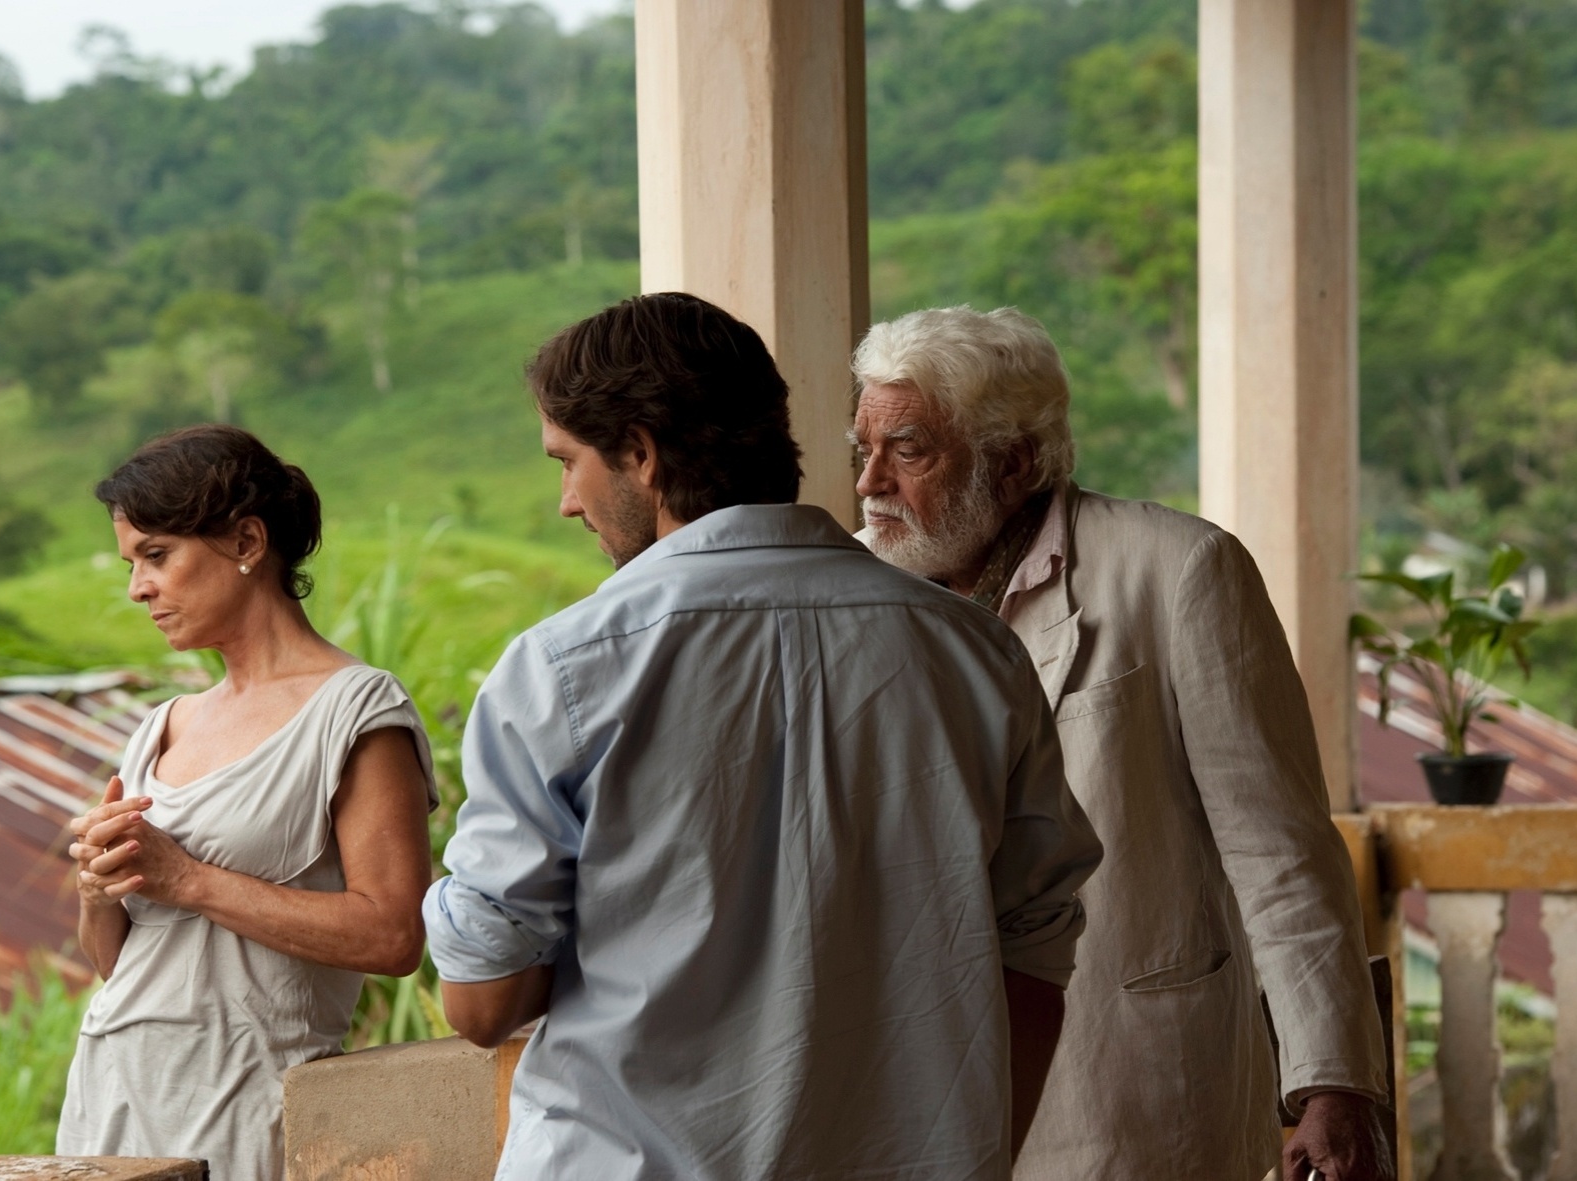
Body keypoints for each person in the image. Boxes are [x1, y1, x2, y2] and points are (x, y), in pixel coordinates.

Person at [423, 292, 1104, 1180]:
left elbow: (481, 1003)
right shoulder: (974, 651)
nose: (566, 503)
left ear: (641, 453)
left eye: (568, 462)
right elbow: (1035, 951)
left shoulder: (565, 668)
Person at [849, 306, 1391, 1181]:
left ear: (1013, 460)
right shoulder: (851, 592)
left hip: (1133, 1091)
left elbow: (1280, 849)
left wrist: (1331, 1084)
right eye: (864, 449)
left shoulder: (1178, 570)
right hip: (919, 1094)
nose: (870, 482)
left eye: (907, 450)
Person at [58, 425, 438, 1181]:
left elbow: (395, 936)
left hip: (247, 1107)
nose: (138, 588)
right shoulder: (163, 726)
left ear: (246, 540)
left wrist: (188, 879)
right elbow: (119, 965)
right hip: (111, 1095)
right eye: (132, 564)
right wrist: (98, 888)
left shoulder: (354, 711)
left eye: (157, 555)